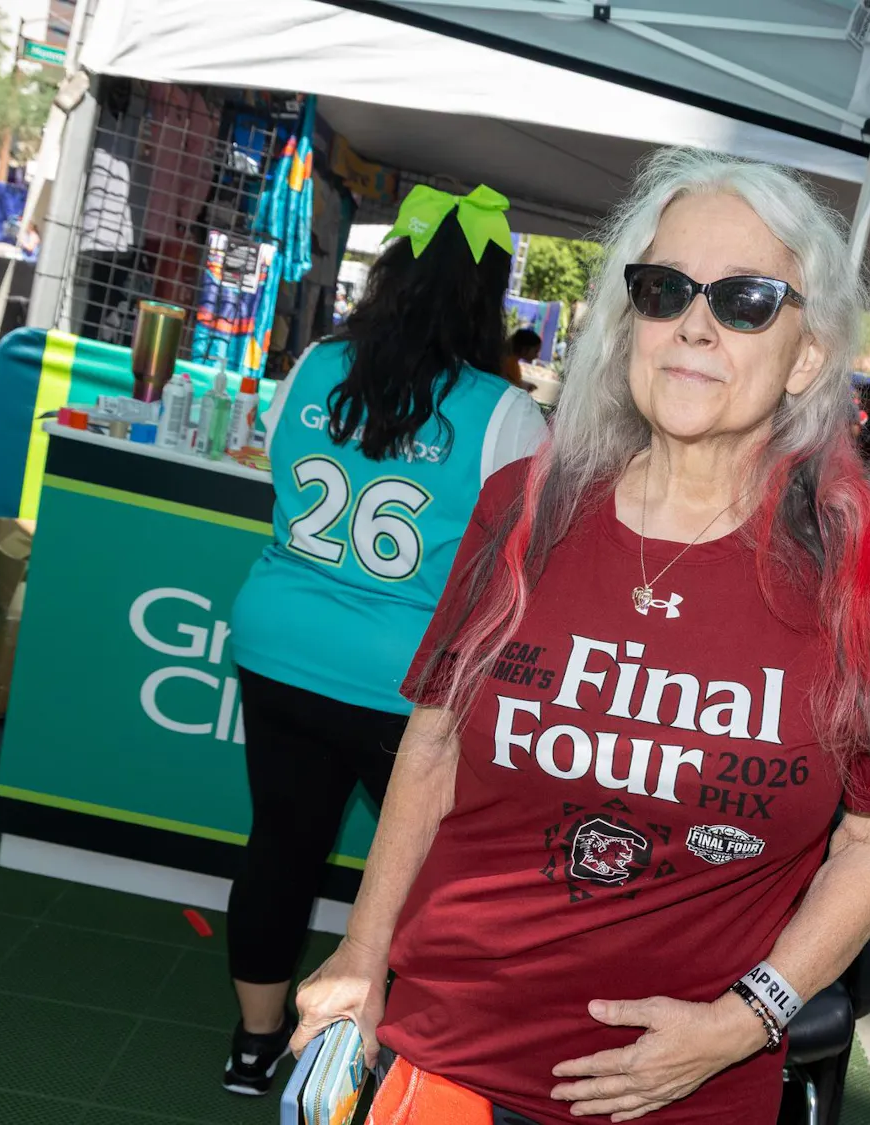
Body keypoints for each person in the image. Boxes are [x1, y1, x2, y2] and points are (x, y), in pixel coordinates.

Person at [290, 149, 870, 1125]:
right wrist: (361, 952)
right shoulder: (526, 506)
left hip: (689, 1091)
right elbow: (431, 744)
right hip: (454, 1050)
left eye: (748, 300)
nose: (695, 326)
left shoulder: (857, 562)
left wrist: (748, 1018)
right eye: (665, 289)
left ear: (808, 354)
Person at [222, 184, 547, 1095]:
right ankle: (381, 1058)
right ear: (489, 298)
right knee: (421, 880)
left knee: (281, 846)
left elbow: (275, 477)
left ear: (391, 272)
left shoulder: (320, 362)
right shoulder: (505, 410)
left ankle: (253, 1048)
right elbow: (528, 557)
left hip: (280, 642)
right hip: (407, 682)